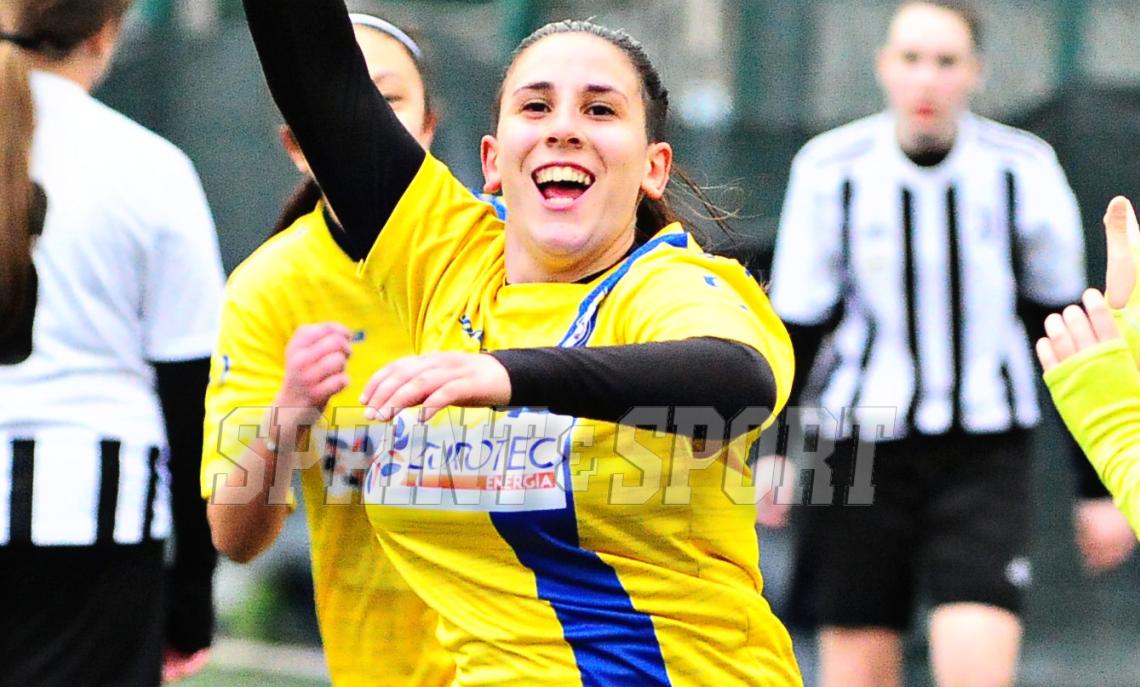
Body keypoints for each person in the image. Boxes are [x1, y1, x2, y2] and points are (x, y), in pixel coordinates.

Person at [231, 1, 802, 684]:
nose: (563, 127)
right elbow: (315, 70)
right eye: (536, 107)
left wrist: (508, 375)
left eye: (600, 110)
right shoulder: (446, 258)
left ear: (654, 167)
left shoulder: (666, 285)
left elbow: (737, 382)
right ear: (493, 161)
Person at [765, 2, 1133, 686]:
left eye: (945, 61)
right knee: (855, 670)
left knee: (977, 665)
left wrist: (1097, 488)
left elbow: (1059, 330)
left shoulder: (1022, 168)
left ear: (975, 73)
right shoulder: (830, 168)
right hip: (857, 442)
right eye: (910, 59)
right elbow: (799, 330)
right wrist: (777, 451)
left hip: (981, 451)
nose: (926, 79)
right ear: (884, 68)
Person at [201, 11, 500, 685]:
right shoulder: (268, 289)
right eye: (344, 100)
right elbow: (233, 536)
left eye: (386, 100)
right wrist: (286, 414)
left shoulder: (503, 254)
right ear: (297, 144)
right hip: (379, 667)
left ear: (427, 128)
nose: (360, 120)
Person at [0, 1, 224, 685]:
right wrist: (191, 596)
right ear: (105, 33)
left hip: (94, 526)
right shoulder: (150, 169)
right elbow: (193, 402)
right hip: (99, 531)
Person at [1038, 195, 1140, 536]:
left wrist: (1098, 487)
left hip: (981, 436)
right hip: (873, 418)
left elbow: (1047, 310)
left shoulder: (1019, 166)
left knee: (975, 585)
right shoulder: (863, 169)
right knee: (867, 564)